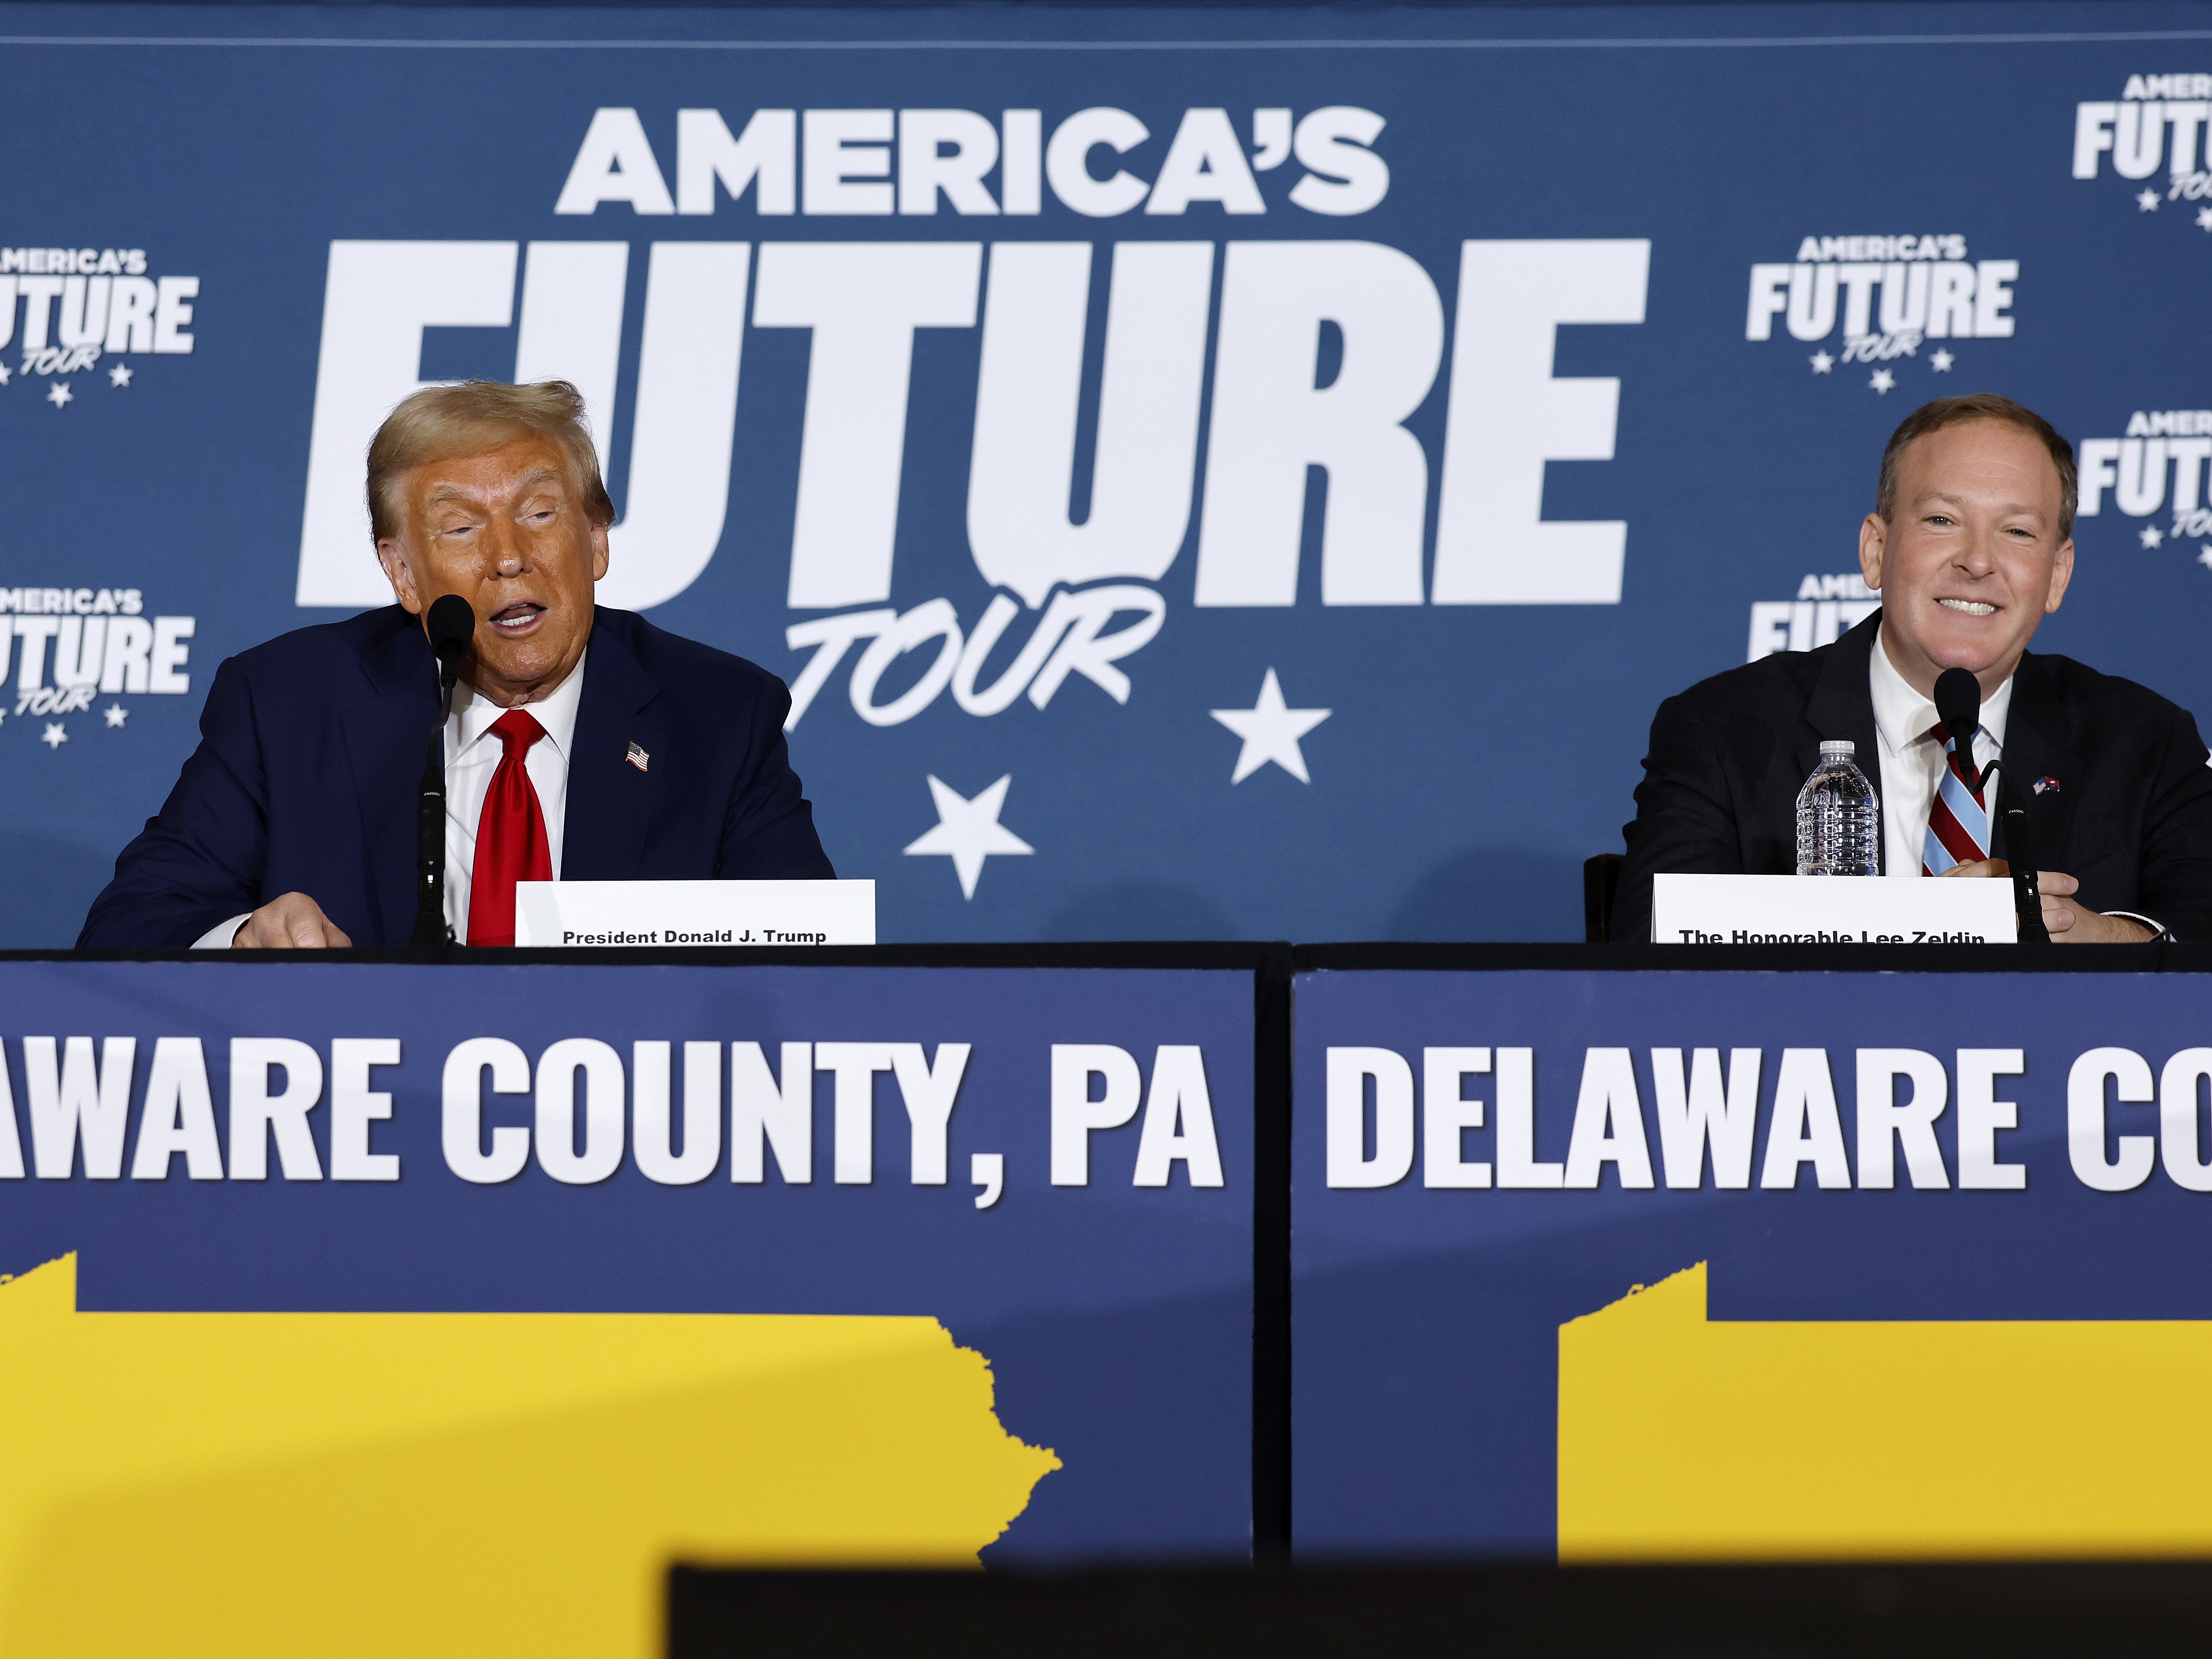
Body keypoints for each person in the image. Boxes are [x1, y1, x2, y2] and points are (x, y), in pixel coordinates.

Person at [79, 380, 833, 950]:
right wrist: (245, 940)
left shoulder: (720, 718)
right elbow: (130, 926)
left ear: (596, 539)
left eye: (540, 514)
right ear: (403, 573)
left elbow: (819, 969)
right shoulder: (288, 704)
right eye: (462, 527)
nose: (509, 557)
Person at [1615, 393, 2212, 944]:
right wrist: (1923, 927)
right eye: (1942, 521)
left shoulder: (2146, 744)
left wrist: (2092, 940)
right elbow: (1650, 953)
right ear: (1876, 552)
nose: (1978, 561)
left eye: (2018, 532)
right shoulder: (1725, 731)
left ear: (2057, 575)